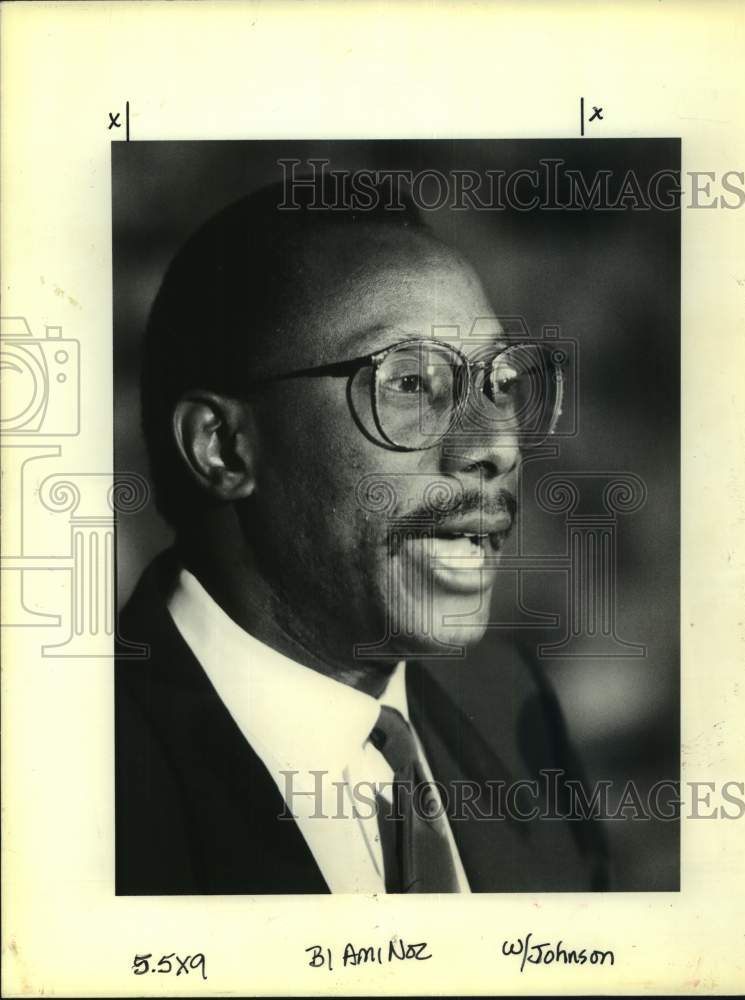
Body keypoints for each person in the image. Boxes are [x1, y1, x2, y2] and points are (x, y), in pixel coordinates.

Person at [115, 175, 608, 894]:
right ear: (222, 447)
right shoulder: (72, 783)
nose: (495, 445)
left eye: (499, 385)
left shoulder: (509, 705)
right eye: (409, 383)